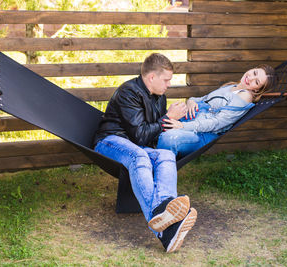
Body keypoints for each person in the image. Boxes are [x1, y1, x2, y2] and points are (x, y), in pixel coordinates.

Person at [93, 53, 197, 253]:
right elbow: (140, 135)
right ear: (152, 78)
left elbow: (152, 136)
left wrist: (175, 123)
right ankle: (163, 219)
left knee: (166, 155)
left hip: (136, 146)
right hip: (110, 141)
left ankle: (166, 217)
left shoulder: (160, 97)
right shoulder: (129, 92)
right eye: (166, 80)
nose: (168, 85)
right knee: (139, 156)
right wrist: (167, 117)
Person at [157, 64, 277, 158]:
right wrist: (191, 102)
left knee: (168, 138)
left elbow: (216, 123)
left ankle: (158, 173)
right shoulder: (231, 86)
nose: (250, 78)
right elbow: (201, 99)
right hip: (189, 120)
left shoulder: (244, 96)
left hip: (199, 134)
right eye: (254, 73)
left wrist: (182, 126)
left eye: (256, 82)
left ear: (257, 90)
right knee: (156, 121)